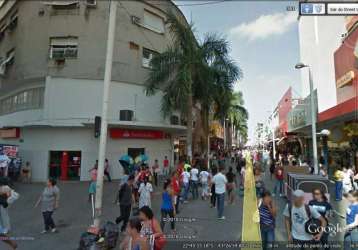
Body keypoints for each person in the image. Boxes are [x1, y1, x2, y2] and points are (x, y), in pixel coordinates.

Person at [0, 177, 19, 250]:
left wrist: (7, 201)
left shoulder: (5, 188)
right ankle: (12, 243)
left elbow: (15, 195)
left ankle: (12, 243)